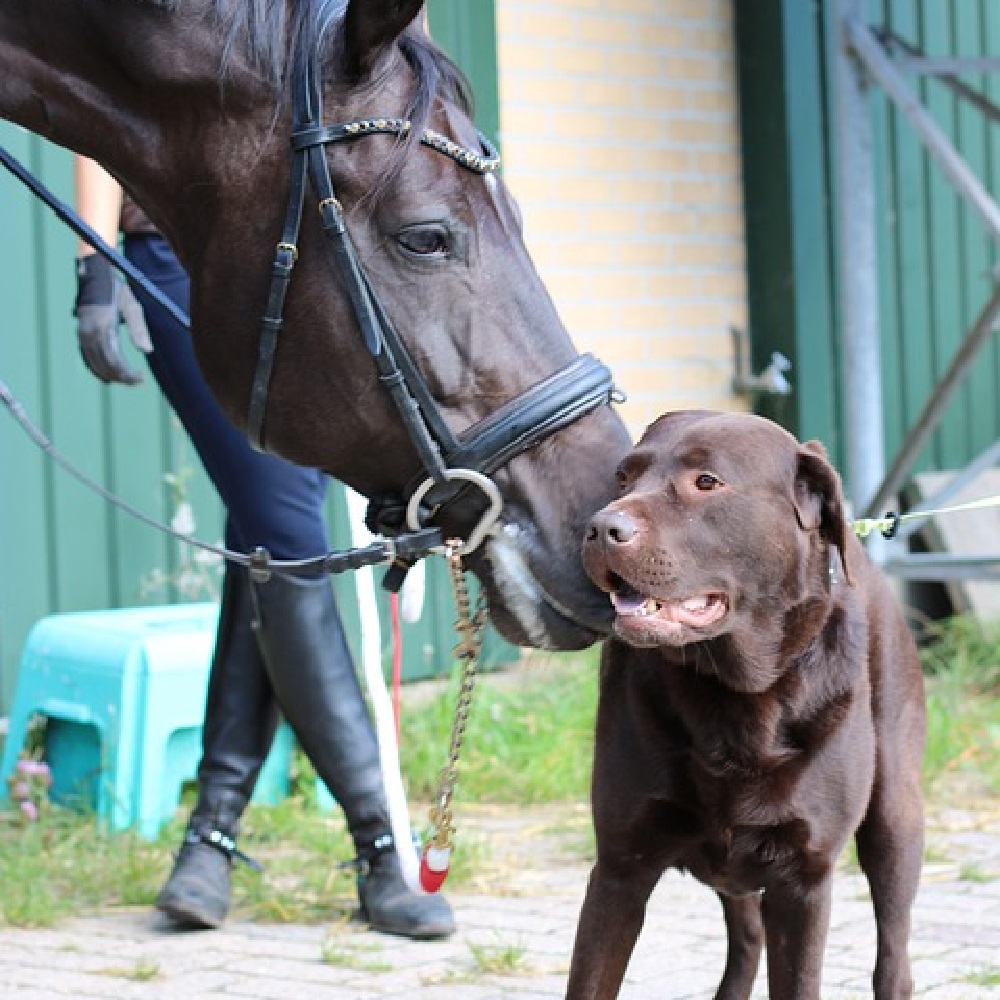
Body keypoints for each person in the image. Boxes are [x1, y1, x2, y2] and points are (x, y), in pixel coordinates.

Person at [72, 156, 454, 939]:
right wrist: (94, 260)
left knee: (263, 541)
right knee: (287, 537)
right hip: (176, 259)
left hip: (295, 275)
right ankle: (380, 845)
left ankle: (210, 838)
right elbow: (102, 115)